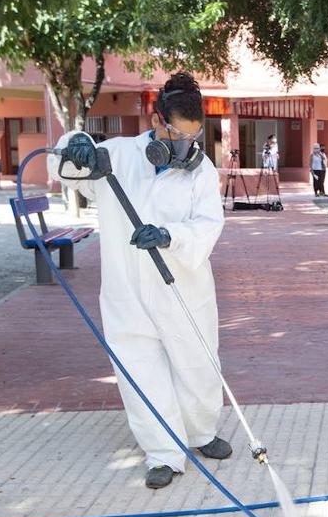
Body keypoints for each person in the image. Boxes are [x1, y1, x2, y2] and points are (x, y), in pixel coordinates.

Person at [49, 72, 232, 489]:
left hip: (182, 283)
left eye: (193, 137)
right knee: (140, 369)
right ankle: (164, 452)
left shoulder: (200, 171)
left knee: (198, 363)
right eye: (176, 134)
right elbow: (67, 170)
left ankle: (201, 433)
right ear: (155, 120)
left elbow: (209, 223)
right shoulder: (115, 156)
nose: (184, 146)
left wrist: (171, 236)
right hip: (127, 291)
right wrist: (74, 145)